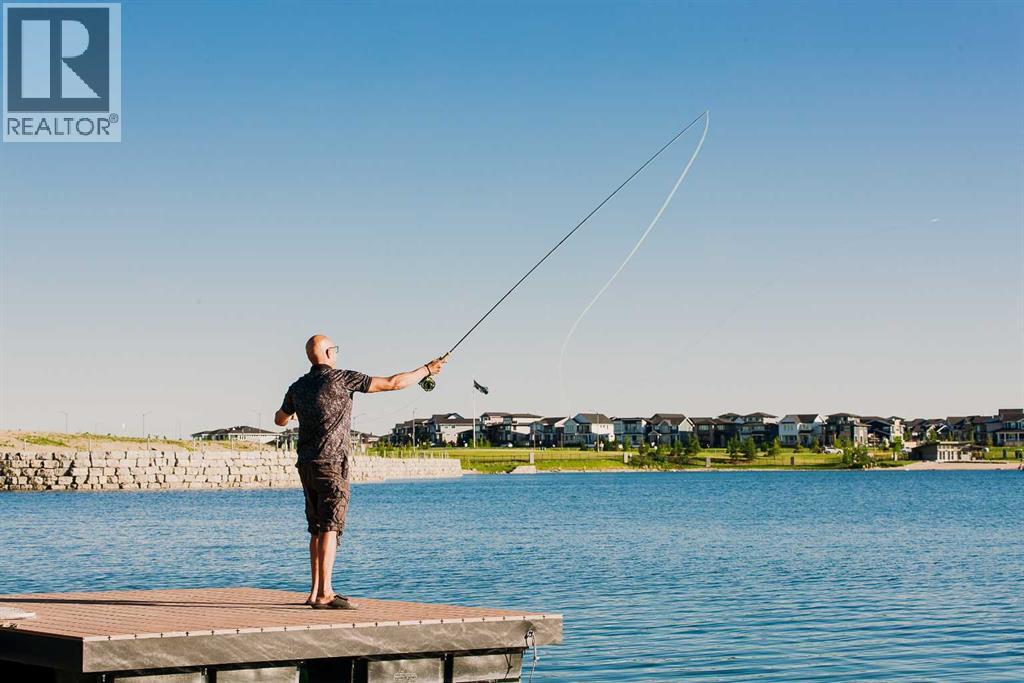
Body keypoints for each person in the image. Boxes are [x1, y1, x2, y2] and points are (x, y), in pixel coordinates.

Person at [274, 334, 446, 609]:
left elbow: (279, 419)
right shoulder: (342, 379)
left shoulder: (298, 386)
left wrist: (294, 413)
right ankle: (325, 593)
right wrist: (427, 369)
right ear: (329, 353)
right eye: (335, 350)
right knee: (330, 525)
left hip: (306, 464)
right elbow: (393, 383)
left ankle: (314, 592)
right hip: (332, 464)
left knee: (316, 528)